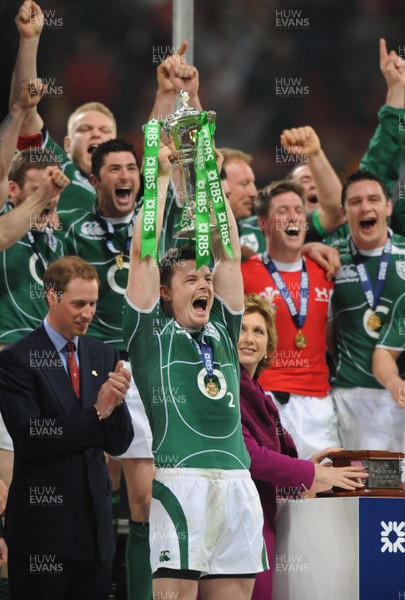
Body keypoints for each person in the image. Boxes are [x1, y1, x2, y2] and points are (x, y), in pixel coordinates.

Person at [123, 144, 266, 599]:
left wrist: (208, 176)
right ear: (166, 293)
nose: (204, 284)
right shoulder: (149, 336)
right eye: (190, 280)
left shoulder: (223, 327)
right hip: (181, 485)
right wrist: (161, 178)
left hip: (238, 486)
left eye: (205, 280)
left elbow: (226, 254)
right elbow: (145, 255)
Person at [0, 256, 134, 600]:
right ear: (52, 296)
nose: (88, 313)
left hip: (95, 534)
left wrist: (116, 405)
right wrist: (97, 412)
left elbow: (119, 443)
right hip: (43, 535)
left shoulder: (104, 354)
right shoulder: (16, 358)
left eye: (93, 303)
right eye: (78, 304)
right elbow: (31, 437)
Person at [61, 137, 155, 599]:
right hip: (92, 365)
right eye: (114, 169)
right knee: (95, 495)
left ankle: (136, 592)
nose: (125, 176)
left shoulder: (154, 223)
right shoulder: (75, 229)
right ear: (94, 180)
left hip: (144, 369)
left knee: (144, 501)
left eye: (132, 168)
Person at [10, 0, 201, 211]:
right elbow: (25, 116)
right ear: (67, 145)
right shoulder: (57, 184)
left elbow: (161, 150)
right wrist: (29, 40)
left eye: (105, 131)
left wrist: (167, 94)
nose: (96, 135)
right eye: (85, 129)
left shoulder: (136, 196)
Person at [238, 293, 367, 599]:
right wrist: (312, 472)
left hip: (264, 519)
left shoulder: (263, 398)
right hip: (239, 522)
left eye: (258, 331)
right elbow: (250, 456)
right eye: (241, 329)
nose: (249, 338)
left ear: (269, 345)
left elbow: (276, 464)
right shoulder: (225, 387)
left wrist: (314, 467)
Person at [242, 179, 339, 458]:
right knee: (278, 490)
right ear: (263, 223)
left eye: (298, 209)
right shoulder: (244, 273)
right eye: (283, 210)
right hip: (268, 397)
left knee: (327, 489)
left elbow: (330, 338)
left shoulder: (325, 271)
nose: (293, 216)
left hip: (319, 402)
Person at [330, 170, 405, 451]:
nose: (365, 207)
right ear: (344, 211)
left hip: (399, 393)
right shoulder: (330, 259)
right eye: (356, 201)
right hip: (351, 394)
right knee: (361, 487)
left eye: (373, 199)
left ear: (388, 206)